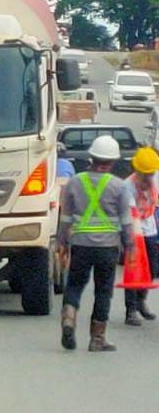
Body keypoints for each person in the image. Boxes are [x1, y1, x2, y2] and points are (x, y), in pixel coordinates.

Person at [58, 134, 136, 351]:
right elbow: (126, 220)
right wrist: (130, 245)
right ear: (112, 161)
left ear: (91, 157)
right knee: (103, 291)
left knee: (74, 284)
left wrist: (62, 243)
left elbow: (65, 217)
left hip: (81, 245)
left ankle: (69, 318)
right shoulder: (119, 186)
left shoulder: (75, 182)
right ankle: (97, 339)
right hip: (108, 248)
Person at [125, 147, 159, 325]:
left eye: (151, 174)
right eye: (145, 174)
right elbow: (131, 214)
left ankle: (141, 300)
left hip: (150, 228)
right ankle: (130, 310)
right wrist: (133, 241)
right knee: (134, 271)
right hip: (134, 230)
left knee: (152, 269)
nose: (148, 178)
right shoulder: (127, 186)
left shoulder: (156, 179)